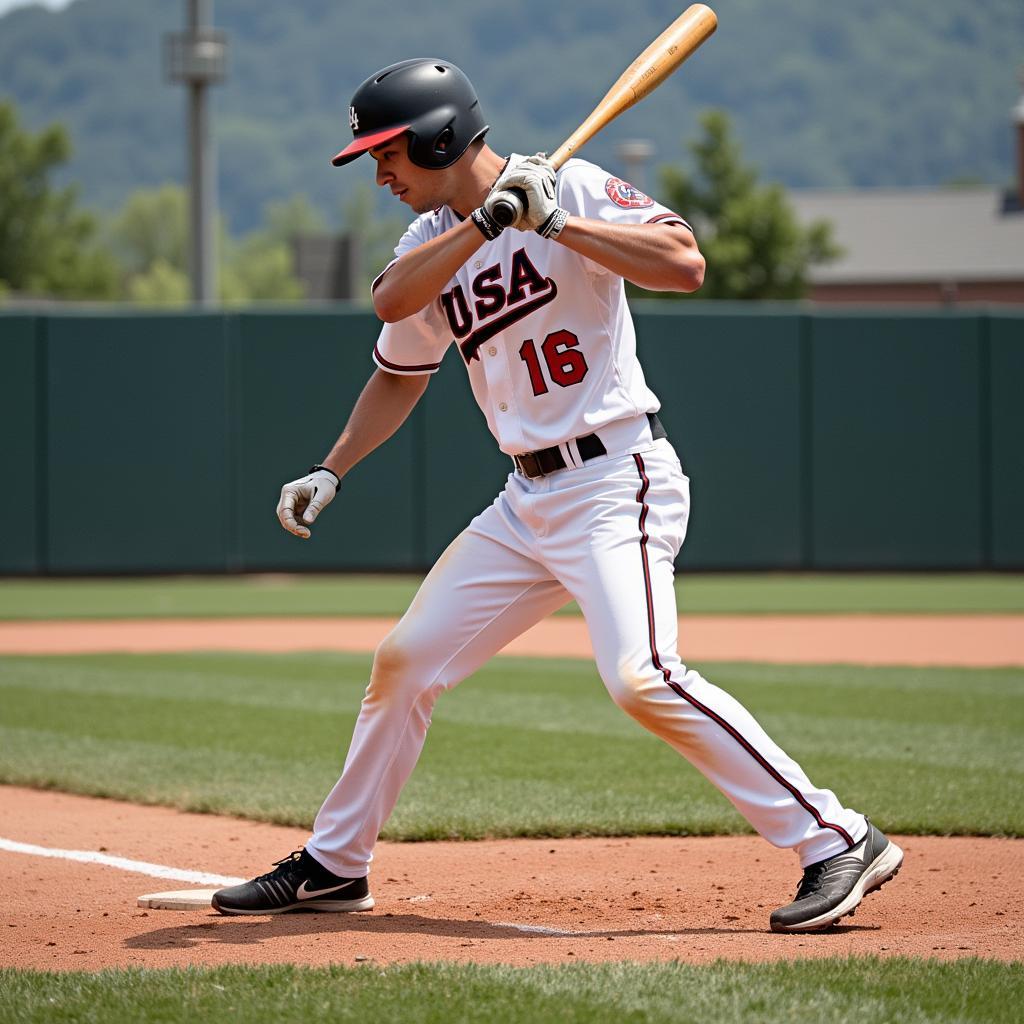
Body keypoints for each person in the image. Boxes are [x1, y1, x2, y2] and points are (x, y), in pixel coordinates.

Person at [212, 58, 902, 932]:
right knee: (404, 661)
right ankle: (336, 865)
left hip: (618, 478)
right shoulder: (429, 240)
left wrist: (557, 221)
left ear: (438, 138)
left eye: (387, 153)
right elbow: (395, 322)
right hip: (524, 502)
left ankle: (837, 837)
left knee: (642, 678)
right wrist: (332, 466)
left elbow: (684, 263)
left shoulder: (570, 184)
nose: (379, 173)